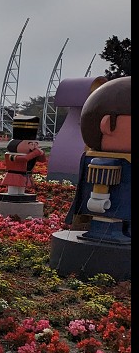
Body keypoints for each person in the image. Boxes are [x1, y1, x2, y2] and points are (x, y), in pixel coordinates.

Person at [64, 75, 130, 244]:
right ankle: (105, 231)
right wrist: (98, 200)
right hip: (107, 205)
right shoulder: (103, 161)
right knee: (109, 217)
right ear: (108, 125)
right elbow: (100, 182)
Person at [0, 114, 45, 197]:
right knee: (13, 190)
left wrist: (41, 154)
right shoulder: (12, 155)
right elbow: (23, 159)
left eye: (35, 143)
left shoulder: (31, 153)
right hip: (14, 175)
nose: (33, 146)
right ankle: (12, 196)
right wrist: (35, 153)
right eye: (30, 144)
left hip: (25, 174)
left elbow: (42, 160)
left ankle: (20, 196)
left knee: (21, 190)